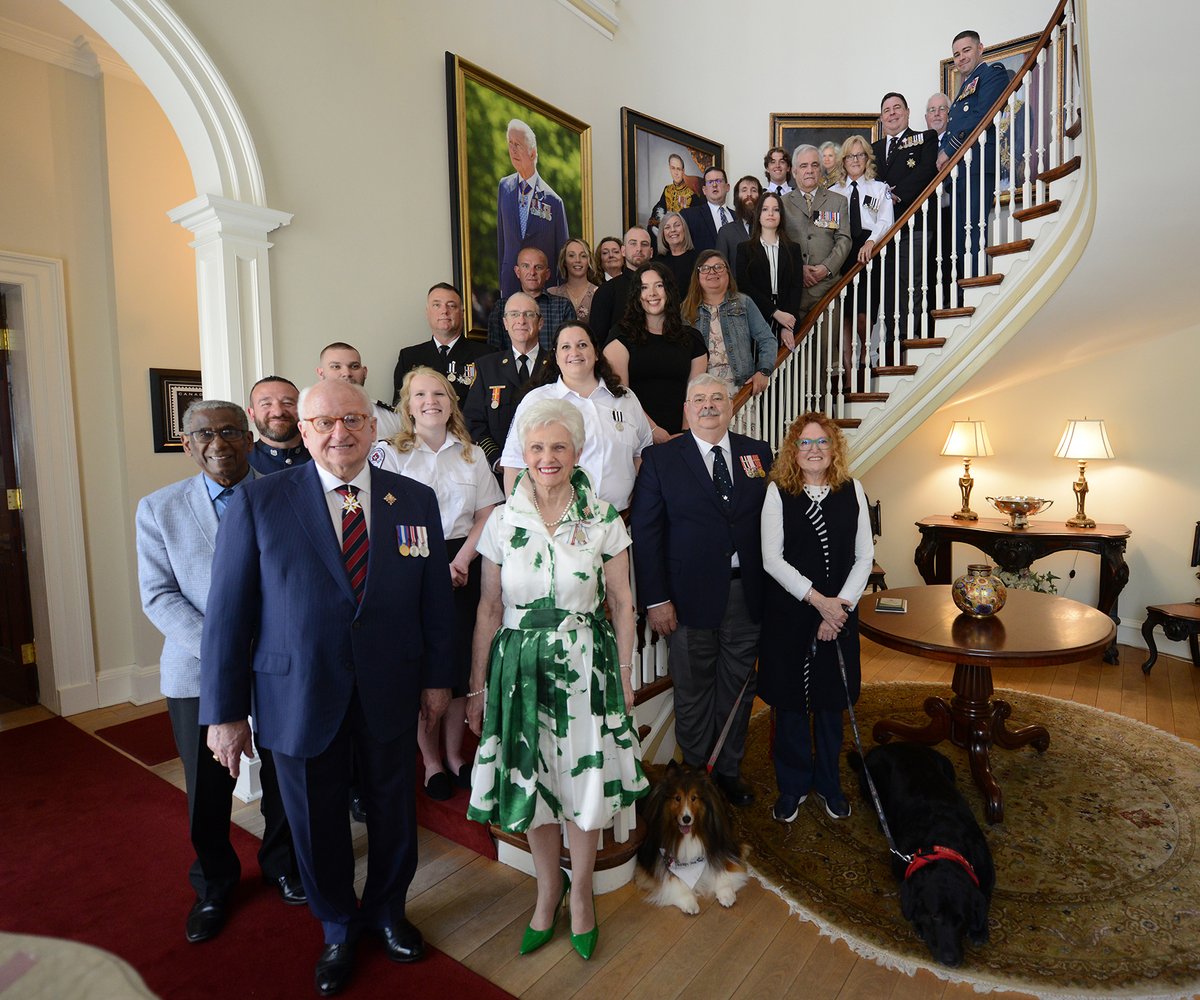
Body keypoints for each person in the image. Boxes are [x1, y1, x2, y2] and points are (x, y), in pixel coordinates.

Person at [201, 378, 456, 997]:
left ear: (372, 427)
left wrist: (438, 681)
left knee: (395, 813)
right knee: (315, 823)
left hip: (390, 692)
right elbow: (228, 616)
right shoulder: (258, 504)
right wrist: (225, 714)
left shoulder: (414, 500)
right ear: (303, 430)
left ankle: (389, 912)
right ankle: (339, 926)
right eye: (323, 423)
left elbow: (434, 604)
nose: (339, 433)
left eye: (351, 420)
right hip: (298, 696)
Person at [466, 398, 647, 960]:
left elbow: (622, 604)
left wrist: (623, 672)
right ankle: (548, 892)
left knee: (583, 788)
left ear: (576, 452)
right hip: (518, 669)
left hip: (585, 669)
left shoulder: (604, 518)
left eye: (559, 447)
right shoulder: (501, 520)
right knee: (534, 783)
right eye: (537, 447)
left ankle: (583, 895)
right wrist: (477, 688)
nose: (547, 458)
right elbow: (489, 608)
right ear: (523, 452)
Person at [136, 399, 304, 946]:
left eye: (230, 431)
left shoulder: (288, 496)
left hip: (280, 664)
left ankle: (282, 862)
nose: (218, 443)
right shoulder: (158, 509)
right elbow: (158, 596)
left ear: (251, 439)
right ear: (187, 444)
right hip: (196, 668)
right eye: (204, 433)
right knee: (207, 783)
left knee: (285, 771)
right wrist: (227, 650)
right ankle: (214, 882)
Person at [631, 374, 772, 808]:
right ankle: (696, 774)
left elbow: (770, 522)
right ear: (686, 410)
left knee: (738, 688)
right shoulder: (661, 459)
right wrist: (656, 600)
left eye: (717, 398)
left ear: (730, 406)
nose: (709, 406)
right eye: (699, 399)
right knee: (692, 687)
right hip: (685, 599)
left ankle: (727, 771)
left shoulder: (757, 452)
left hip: (746, 594)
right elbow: (647, 533)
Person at [369, 368, 503, 802]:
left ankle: (455, 753)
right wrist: (431, 567)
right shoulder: (387, 454)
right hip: (411, 565)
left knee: (460, 666)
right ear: (408, 405)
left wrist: (462, 560)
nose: (431, 401)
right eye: (421, 394)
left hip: (464, 563)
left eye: (440, 393)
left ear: (451, 401)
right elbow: (380, 519)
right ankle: (429, 760)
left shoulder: (471, 454)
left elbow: (488, 514)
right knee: (425, 667)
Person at [757, 413, 873, 823]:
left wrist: (838, 606)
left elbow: (864, 557)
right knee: (789, 706)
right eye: (805, 443)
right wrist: (817, 600)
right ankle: (792, 786)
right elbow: (772, 559)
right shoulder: (777, 492)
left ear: (834, 448)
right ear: (793, 450)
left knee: (829, 705)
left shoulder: (852, 490)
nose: (814, 450)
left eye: (822, 442)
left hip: (839, 616)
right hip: (790, 615)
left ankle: (829, 784)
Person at [500, 322, 651, 512]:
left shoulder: (625, 398)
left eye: (582, 345)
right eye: (566, 347)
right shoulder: (536, 400)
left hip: (620, 522)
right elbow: (514, 465)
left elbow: (643, 453)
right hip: (556, 526)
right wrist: (525, 519)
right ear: (556, 357)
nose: (575, 352)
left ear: (596, 353)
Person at [604, 261, 707, 440]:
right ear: (637, 295)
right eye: (644, 287)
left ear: (669, 290)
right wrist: (652, 430)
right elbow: (620, 394)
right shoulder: (620, 336)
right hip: (634, 435)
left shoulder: (692, 339)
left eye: (659, 285)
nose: (652, 293)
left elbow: (696, 395)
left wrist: (685, 435)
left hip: (682, 436)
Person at [937, 31, 1010, 284]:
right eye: (956, 54)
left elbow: (982, 116)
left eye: (966, 50)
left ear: (980, 48)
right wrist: (941, 153)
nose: (961, 58)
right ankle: (962, 293)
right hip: (960, 173)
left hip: (977, 167)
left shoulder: (993, 74)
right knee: (960, 240)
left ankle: (974, 290)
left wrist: (948, 150)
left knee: (973, 234)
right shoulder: (964, 88)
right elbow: (953, 125)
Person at [873, 93, 939, 342]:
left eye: (897, 108)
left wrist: (894, 196)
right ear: (881, 118)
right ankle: (891, 340)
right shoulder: (874, 149)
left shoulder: (925, 139)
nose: (892, 114)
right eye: (887, 110)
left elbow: (926, 172)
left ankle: (911, 336)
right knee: (888, 286)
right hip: (882, 230)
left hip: (914, 224)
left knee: (912, 283)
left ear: (908, 112)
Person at [464, 291, 551, 477]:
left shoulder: (556, 365)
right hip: (500, 476)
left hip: (549, 470)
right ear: (505, 323)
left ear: (540, 323)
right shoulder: (486, 367)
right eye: (514, 314)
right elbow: (473, 421)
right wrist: (497, 459)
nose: (521, 320)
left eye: (529, 314)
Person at [830, 135, 895, 371]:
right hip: (843, 252)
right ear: (843, 161)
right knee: (845, 316)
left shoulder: (879, 188)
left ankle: (865, 357)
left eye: (860, 155)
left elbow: (886, 220)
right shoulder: (833, 192)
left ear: (867, 158)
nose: (855, 160)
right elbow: (826, 226)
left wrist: (870, 242)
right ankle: (848, 371)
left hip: (869, 252)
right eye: (850, 156)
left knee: (862, 316)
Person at [681, 251, 775, 397]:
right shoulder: (686, 310)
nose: (712, 272)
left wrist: (763, 370)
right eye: (705, 268)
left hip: (740, 389)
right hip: (701, 390)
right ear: (697, 275)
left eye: (718, 267)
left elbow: (767, 339)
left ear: (728, 273)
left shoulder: (744, 303)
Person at [497, 119, 568, 299]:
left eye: (518, 145)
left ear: (533, 152)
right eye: (510, 143)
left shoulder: (554, 201)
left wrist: (558, 293)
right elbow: (502, 241)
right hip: (510, 286)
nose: (512, 150)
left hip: (543, 292)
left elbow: (562, 255)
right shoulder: (504, 187)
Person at [393, 283, 491, 409]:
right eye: (437, 305)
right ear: (427, 313)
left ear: (462, 313)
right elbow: (399, 409)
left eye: (451, 305)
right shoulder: (409, 357)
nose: (444, 311)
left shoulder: (486, 355)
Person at [782, 145, 851, 322]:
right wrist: (798, 270)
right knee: (794, 348)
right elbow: (778, 243)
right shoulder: (781, 204)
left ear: (821, 170)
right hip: (792, 289)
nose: (810, 170)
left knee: (826, 346)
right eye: (804, 166)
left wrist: (826, 269)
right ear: (795, 171)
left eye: (814, 165)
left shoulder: (838, 201)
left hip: (827, 288)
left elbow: (844, 239)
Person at [735, 191, 805, 348]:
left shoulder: (793, 249)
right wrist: (775, 313)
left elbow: (796, 287)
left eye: (776, 209)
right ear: (758, 215)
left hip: (788, 316)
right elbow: (744, 286)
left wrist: (787, 324)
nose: (771, 214)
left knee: (787, 368)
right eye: (765, 209)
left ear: (781, 215)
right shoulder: (744, 249)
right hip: (756, 316)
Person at [487, 246, 577, 352]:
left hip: (553, 367)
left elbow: (570, 348)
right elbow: (493, 353)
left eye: (538, 267)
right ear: (517, 272)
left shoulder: (563, 306)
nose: (532, 272)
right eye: (526, 266)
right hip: (510, 368)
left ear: (547, 274)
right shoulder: (501, 307)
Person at [317, 342, 404, 439]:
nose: (347, 373)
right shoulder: (310, 418)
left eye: (354, 366)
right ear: (321, 373)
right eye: (336, 367)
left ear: (364, 372)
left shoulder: (392, 417)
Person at [588, 226, 654, 343]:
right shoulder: (606, 291)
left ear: (651, 252)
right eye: (633, 244)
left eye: (644, 244)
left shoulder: (663, 287)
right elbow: (597, 340)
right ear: (623, 251)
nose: (639, 249)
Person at [246, 375, 311, 474]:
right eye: (266, 404)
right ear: (252, 414)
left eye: (288, 403)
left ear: (302, 410)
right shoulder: (240, 463)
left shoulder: (324, 457)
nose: (278, 412)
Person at [715, 175, 763, 271]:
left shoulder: (770, 228)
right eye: (744, 190)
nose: (749, 194)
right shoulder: (726, 232)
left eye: (754, 190)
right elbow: (720, 269)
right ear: (737, 197)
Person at [648, 152, 700, 237]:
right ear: (670, 169)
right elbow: (659, 207)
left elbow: (695, 220)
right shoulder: (667, 189)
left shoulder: (691, 194)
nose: (676, 173)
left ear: (683, 171)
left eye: (678, 169)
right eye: (673, 168)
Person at [547, 237, 599, 323]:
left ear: (589, 260)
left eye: (583, 256)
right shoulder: (552, 294)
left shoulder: (599, 293)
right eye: (571, 255)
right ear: (564, 261)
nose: (577, 260)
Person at [682, 166, 733, 253]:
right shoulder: (689, 216)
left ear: (727, 187)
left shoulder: (738, 217)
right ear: (704, 190)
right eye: (710, 182)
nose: (714, 185)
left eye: (718, 181)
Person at [652, 211, 698, 296]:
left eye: (677, 225)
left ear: (684, 229)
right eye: (667, 227)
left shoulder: (698, 259)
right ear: (662, 234)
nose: (673, 230)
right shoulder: (657, 263)